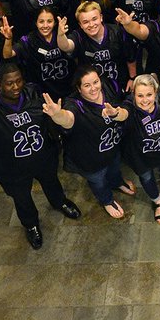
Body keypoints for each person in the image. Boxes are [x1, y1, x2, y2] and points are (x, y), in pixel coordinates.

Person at [0, 62, 80, 248]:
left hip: (42, 156)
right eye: (9, 83)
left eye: (18, 81)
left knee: (51, 181)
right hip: (12, 165)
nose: (15, 87)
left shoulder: (33, 93)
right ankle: (31, 224)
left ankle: (59, 202)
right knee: (22, 197)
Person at [43, 66, 136, 219]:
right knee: (98, 181)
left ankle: (117, 182)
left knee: (114, 168)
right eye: (87, 85)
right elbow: (68, 119)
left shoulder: (108, 86)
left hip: (112, 147)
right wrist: (57, 115)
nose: (94, 88)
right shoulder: (74, 104)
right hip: (90, 159)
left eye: (95, 82)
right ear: (79, 89)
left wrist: (116, 113)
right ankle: (106, 200)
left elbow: (125, 106)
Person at [122, 73, 160, 224]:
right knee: (146, 178)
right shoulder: (130, 106)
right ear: (133, 95)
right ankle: (157, 201)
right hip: (139, 156)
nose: (144, 100)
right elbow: (122, 114)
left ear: (155, 92)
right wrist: (114, 114)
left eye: (149, 94)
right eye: (140, 95)